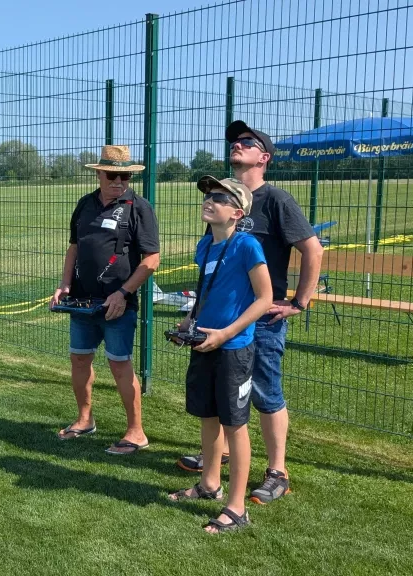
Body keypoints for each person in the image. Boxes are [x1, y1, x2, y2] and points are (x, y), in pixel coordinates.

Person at [176, 121, 324, 506]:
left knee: (264, 391)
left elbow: (313, 249)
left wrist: (298, 302)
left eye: (247, 142)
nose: (237, 145)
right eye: (234, 141)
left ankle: (277, 470)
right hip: (219, 322)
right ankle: (216, 463)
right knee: (223, 396)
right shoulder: (217, 219)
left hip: (262, 318)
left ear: (265, 157)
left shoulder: (276, 200)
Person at [166, 176, 272, 534]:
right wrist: (188, 323)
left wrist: (227, 332)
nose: (208, 201)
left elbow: (265, 298)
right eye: (207, 196)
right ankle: (209, 484)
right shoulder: (205, 246)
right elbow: (207, 294)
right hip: (204, 344)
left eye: (218, 198)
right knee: (208, 417)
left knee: (235, 426)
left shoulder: (247, 247)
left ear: (237, 212)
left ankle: (237, 507)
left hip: (233, 349)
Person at [49, 145, 160, 455]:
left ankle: (136, 432)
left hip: (117, 304)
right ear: (98, 173)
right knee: (79, 359)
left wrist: (123, 293)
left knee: (120, 364)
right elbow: (74, 247)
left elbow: (152, 259)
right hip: (83, 302)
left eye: (125, 176)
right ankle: (85, 419)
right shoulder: (85, 205)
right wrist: (65, 284)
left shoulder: (139, 208)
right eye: (112, 175)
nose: (119, 182)